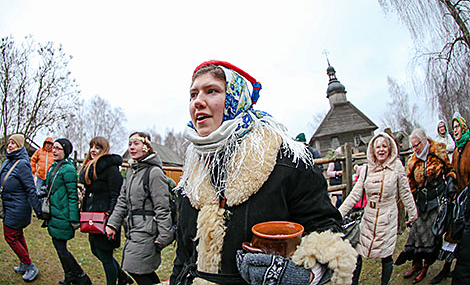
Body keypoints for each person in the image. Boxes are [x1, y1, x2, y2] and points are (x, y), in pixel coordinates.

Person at [170, 60, 357, 285]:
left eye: (212, 91)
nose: (198, 102)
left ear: (236, 99)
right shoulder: (192, 175)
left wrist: (306, 275)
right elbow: (183, 256)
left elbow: (330, 232)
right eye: (193, 95)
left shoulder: (287, 159)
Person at [339, 132, 418, 285]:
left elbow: (405, 191)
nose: (381, 150)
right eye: (378, 147)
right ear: (373, 150)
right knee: (357, 252)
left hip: (388, 217)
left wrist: (412, 212)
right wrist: (338, 214)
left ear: (390, 149)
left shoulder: (396, 167)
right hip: (369, 216)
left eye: (384, 146)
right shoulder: (366, 169)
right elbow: (354, 194)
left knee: (386, 255)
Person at [106, 132, 174, 285]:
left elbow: (162, 207)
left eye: (136, 143)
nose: (131, 147)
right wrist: (112, 224)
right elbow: (122, 200)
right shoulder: (132, 171)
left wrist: (164, 236)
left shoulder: (154, 173)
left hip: (147, 230)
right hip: (132, 228)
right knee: (141, 270)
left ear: (146, 147)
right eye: (130, 144)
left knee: (135, 268)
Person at [395, 128, 455, 284]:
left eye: (417, 145)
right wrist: (411, 205)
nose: (415, 149)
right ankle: (416, 264)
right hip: (421, 201)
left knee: (429, 235)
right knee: (415, 233)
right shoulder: (412, 160)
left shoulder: (438, 150)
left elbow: (449, 170)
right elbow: (411, 184)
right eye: (413, 146)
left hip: (436, 199)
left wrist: (450, 185)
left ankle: (425, 267)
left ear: (424, 141)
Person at [79, 137, 133, 285]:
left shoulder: (111, 170)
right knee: (96, 251)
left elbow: (116, 196)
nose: (93, 150)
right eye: (91, 147)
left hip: (105, 219)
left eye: (97, 147)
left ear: (104, 150)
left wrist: (111, 221)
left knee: (105, 255)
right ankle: (122, 277)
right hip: (92, 217)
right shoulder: (91, 168)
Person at [44, 138, 91, 285]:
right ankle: (70, 275)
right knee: (59, 247)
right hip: (54, 212)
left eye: (58, 148)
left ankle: (81, 276)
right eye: (54, 148)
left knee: (61, 247)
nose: (54, 150)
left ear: (65, 151)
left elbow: (72, 195)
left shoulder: (68, 169)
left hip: (63, 214)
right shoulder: (55, 166)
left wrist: (73, 219)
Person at [0, 134, 42, 282]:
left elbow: (31, 188)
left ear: (20, 146)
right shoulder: (8, 161)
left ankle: (30, 266)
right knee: (17, 235)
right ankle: (25, 263)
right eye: (9, 143)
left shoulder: (22, 164)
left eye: (14, 143)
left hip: (18, 207)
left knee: (10, 236)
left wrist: (38, 210)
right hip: (10, 205)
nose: (10, 146)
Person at [448, 116, 470, 284]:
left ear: (463, 128)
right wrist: (451, 180)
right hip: (462, 200)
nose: (455, 129)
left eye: (457, 127)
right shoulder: (456, 151)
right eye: (453, 127)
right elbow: (455, 172)